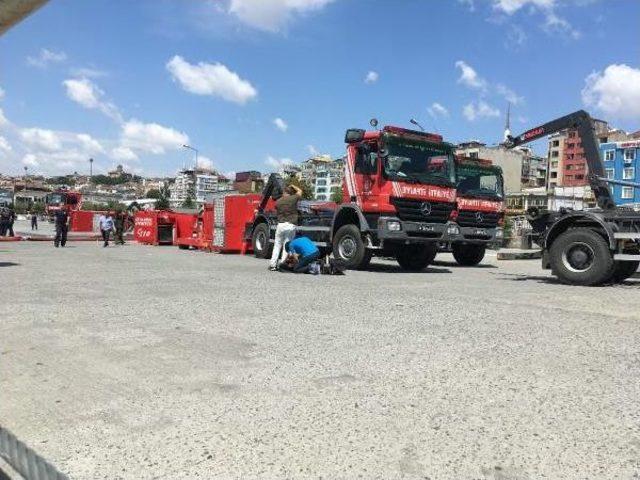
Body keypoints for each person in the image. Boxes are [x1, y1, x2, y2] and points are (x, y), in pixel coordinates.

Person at [269, 183, 302, 271]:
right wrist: (293, 185)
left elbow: (276, 208)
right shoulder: (293, 198)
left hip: (280, 225)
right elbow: (300, 191)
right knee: (286, 246)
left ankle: (272, 265)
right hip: (290, 225)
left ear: (284, 192)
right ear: (291, 193)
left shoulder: (278, 201)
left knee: (277, 245)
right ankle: (282, 264)